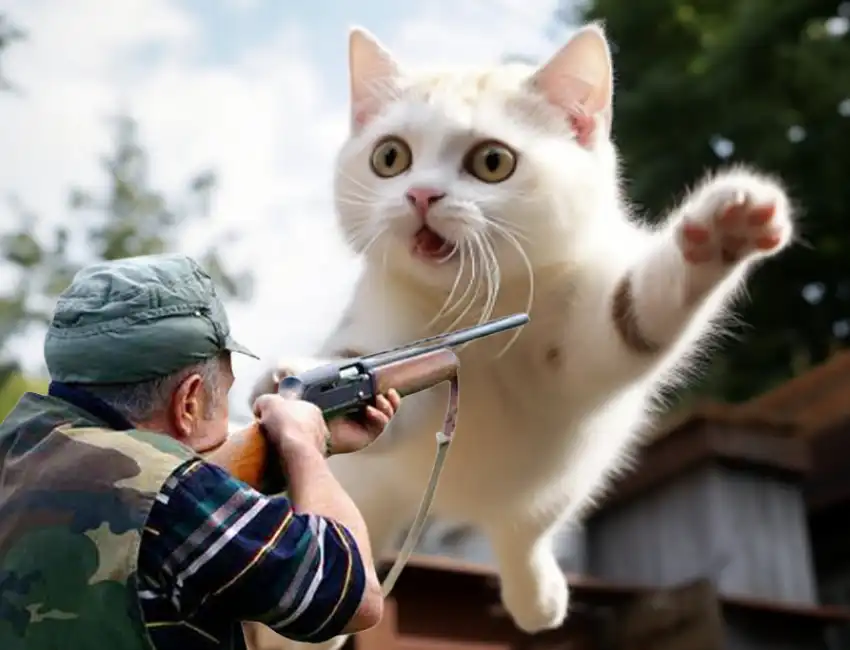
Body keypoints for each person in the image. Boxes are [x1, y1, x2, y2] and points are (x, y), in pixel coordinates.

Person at [0, 253, 401, 650]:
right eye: (225, 393)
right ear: (189, 402)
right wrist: (304, 447)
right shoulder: (173, 495)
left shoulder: (16, 449)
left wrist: (308, 448)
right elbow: (353, 595)